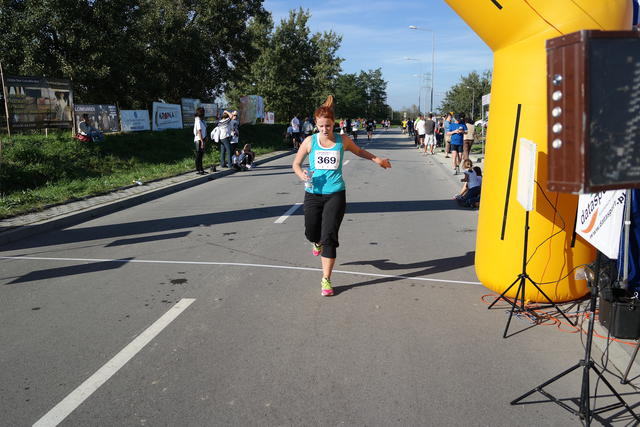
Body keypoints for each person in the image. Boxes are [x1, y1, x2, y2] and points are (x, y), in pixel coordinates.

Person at [292, 95, 391, 297]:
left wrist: (377, 159)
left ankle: (326, 279)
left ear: (334, 124)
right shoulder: (310, 141)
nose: (324, 130)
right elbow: (296, 164)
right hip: (313, 194)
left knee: (329, 236)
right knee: (311, 232)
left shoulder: (342, 140)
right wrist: (302, 174)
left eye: (328, 126)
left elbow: (359, 151)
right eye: (321, 126)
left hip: (336, 194)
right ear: (316, 124)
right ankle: (315, 241)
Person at [193, 107, 208, 175]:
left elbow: (204, 129)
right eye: (203, 112)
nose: (204, 113)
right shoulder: (198, 120)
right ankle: (198, 169)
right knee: (198, 155)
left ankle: (201, 169)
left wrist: (206, 137)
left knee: (201, 155)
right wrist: (202, 141)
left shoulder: (201, 120)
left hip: (202, 139)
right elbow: (199, 131)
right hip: (199, 140)